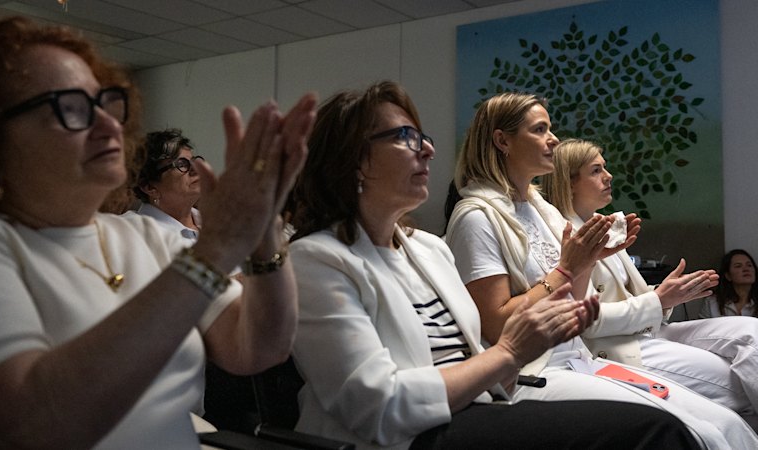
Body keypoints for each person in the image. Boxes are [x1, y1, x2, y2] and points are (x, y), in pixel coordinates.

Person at [0, 10, 317, 449]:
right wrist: (214, 251)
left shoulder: (144, 236)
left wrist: (263, 234)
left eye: (104, 104)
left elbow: (257, 347)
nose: (110, 124)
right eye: (71, 108)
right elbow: (27, 423)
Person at [288, 81, 701, 450]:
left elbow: (482, 354)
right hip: (408, 435)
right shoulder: (316, 260)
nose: (428, 149)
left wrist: (578, 274)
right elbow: (377, 407)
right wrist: (510, 351)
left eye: (423, 137)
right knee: (656, 431)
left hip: (487, 398)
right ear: (354, 159)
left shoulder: (428, 248)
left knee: (680, 426)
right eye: (405, 137)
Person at [444, 91, 758, 448]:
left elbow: (576, 307)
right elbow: (497, 325)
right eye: (540, 129)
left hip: (579, 357)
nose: (553, 139)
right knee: (696, 433)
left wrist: (587, 261)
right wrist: (568, 270)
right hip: (533, 371)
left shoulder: (542, 211)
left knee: (725, 423)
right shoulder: (476, 217)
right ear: (502, 141)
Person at [541, 138, 758, 423]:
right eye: (596, 170)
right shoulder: (566, 237)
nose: (608, 176)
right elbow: (587, 320)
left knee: (752, 331)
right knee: (738, 386)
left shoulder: (605, 227)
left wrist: (671, 295)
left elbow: (638, 300)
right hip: (615, 346)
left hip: (649, 332)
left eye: (605, 167)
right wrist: (659, 299)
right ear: (569, 182)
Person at [132, 128, 204, 244]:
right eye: (182, 164)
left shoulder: (216, 221)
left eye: (194, 161)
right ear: (149, 187)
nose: (196, 169)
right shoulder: (132, 234)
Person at [700, 249, 758, 318]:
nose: (746, 269)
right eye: (738, 266)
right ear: (728, 275)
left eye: (749, 265)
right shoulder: (712, 302)